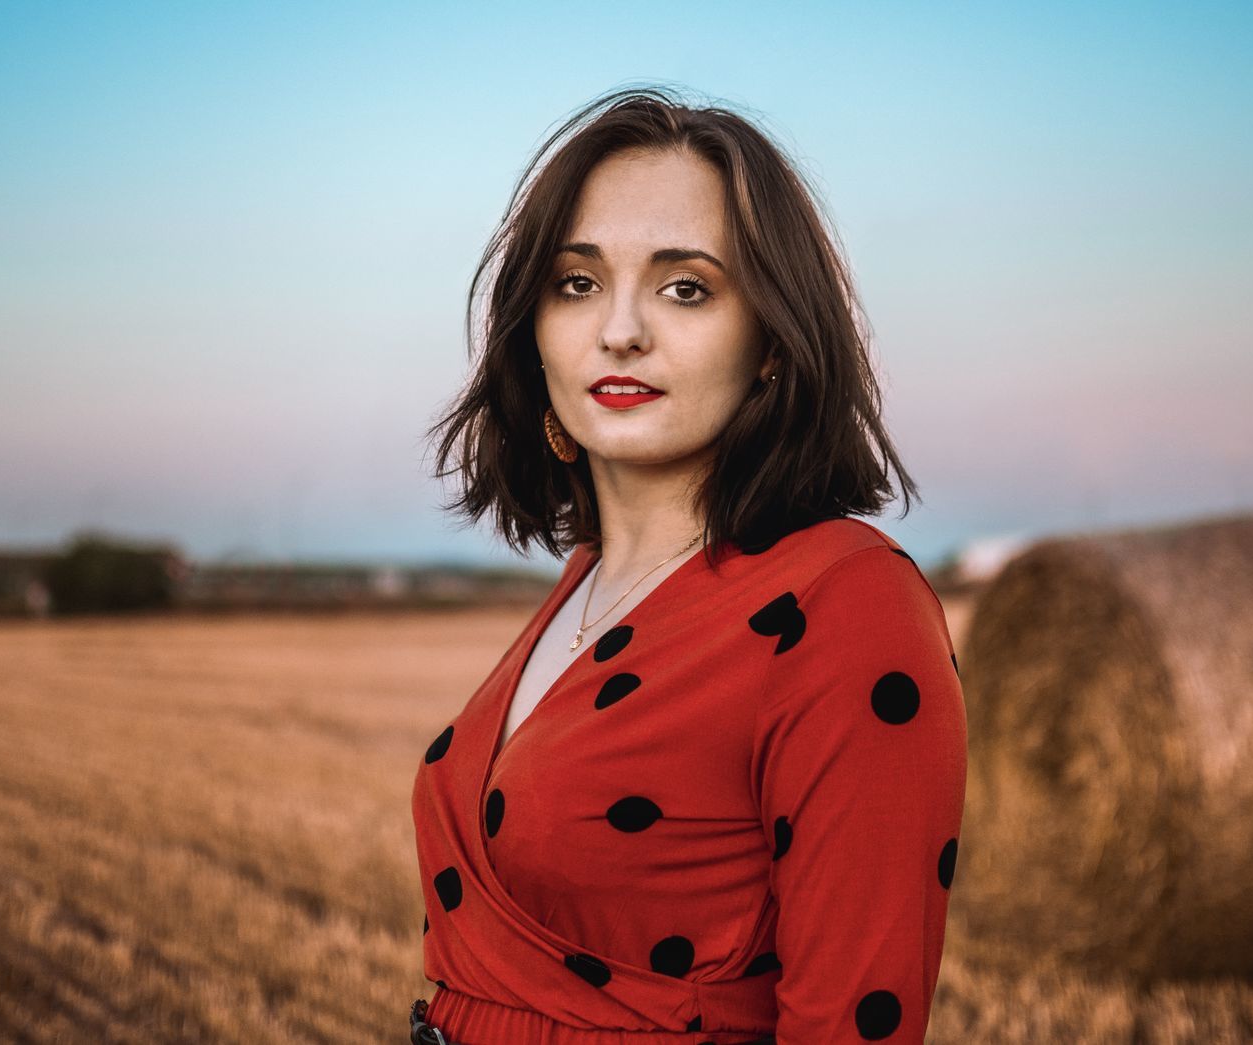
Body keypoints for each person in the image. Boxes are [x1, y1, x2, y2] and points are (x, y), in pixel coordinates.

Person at [410, 85, 967, 1045]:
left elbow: (855, 1023)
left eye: (686, 287)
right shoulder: (584, 582)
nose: (618, 329)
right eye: (576, 282)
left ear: (772, 347)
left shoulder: (845, 602)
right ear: (532, 330)